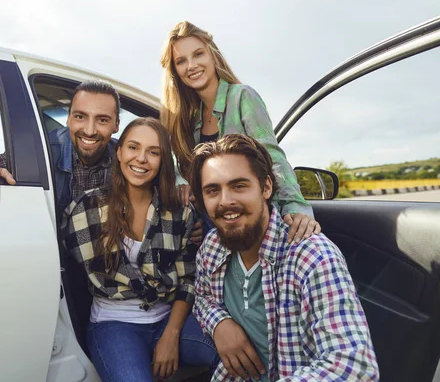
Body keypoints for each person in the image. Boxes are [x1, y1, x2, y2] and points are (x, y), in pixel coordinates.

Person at [189, 134, 379, 381]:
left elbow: (353, 368)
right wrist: (220, 323)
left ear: (266, 187)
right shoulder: (212, 247)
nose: (226, 201)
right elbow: (202, 296)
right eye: (213, 190)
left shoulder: (313, 257)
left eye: (239, 186)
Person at [62, 118, 219, 382]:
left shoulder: (178, 211)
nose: (142, 159)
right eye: (133, 147)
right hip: (113, 325)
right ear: (119, 151)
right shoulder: (84, 209)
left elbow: (188, 279)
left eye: (153, 152)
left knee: (234, 354)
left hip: (169, 318)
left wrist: (171, 334)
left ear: (162, 161)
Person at [160, 20, 319, 243]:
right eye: (181, 61)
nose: (191, 65)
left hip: (253, 225)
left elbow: (272, 156)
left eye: (198, 54)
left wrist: (295, 206)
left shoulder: (243, 97)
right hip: (215, 230)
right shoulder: (188, 119)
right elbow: (176, 166)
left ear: (212, 55)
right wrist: (181, 185)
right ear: (175, 70)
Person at [0, 79, 120, 214]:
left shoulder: (125, 159)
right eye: (80, 117)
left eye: (102, 120)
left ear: (116, 125)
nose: (89, 131)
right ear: (68, 119)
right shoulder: (43, 150)